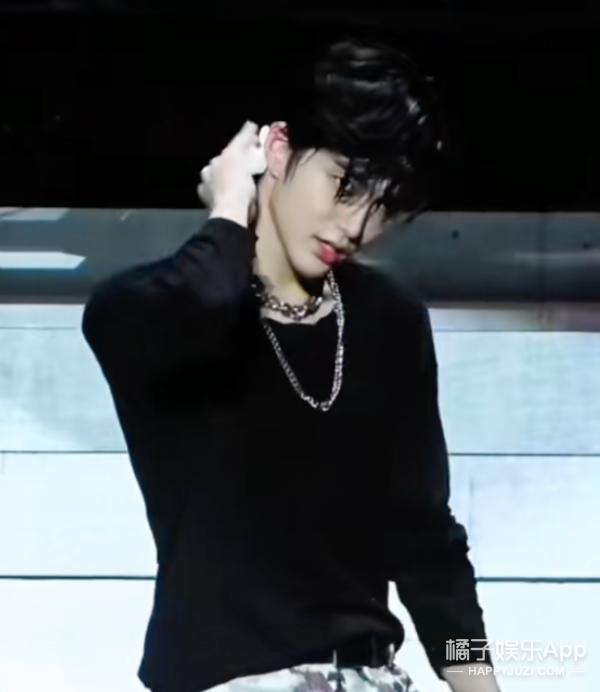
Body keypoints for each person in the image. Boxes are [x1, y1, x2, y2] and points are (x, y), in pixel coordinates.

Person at [82, 33, 500, 692]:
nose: (357, 226)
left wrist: (482, 686)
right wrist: (229, 205)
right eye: (345, 186)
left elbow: (427, 541)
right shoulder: (140, 309)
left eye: (384, 205)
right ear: (278, 148)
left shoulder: (389, 320)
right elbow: (205, 299)